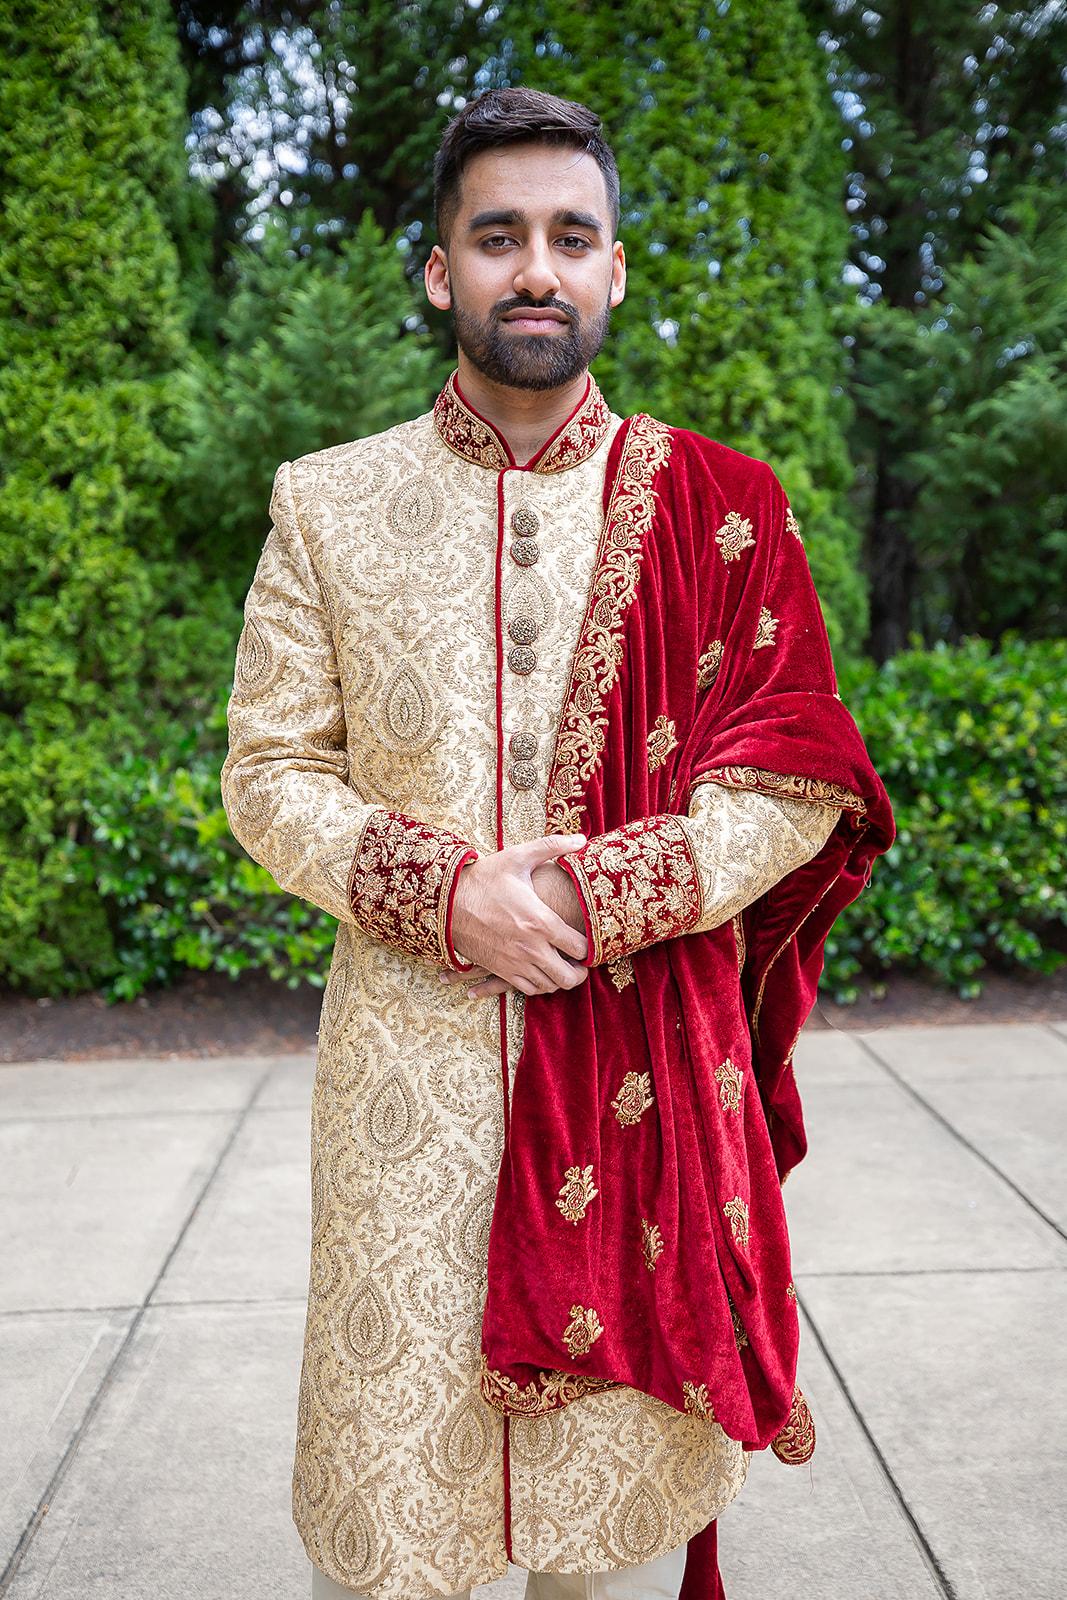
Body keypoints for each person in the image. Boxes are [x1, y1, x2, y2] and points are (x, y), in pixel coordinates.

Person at [221, 87, 892, 1600]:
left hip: (635, 1086)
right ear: (439, 270)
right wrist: (451, 895)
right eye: (499, 235)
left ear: (615, 270)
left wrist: (599, 894)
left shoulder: (725, 510)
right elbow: (270, 773)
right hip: (408, 1088)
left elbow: (794, 779)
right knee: (392, 1529)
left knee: (596, 1545)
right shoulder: (328, 505)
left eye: (570, 236)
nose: (537, 267)